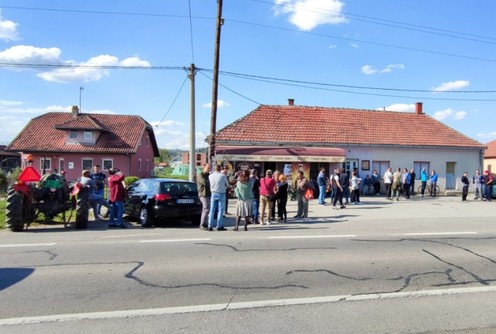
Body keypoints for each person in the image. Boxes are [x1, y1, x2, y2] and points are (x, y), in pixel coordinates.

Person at [208, 164, 230, 231]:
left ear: (214, 169)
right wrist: (225, 187)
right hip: (221, 193)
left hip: (213, 193)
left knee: (212, 210)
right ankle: (219, 225)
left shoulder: (210, 176)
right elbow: (227, 184)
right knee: (220, 210)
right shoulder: (222, 176)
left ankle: (210, 225)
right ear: (220, 169)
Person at [197, 163, 211, 230]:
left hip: (208, 194)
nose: (209, 169)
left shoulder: (209, 175)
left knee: (207, 209)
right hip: (203, 194)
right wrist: (210, 181)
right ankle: (202, 224)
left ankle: (205, 223)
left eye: (209, 168)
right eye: (208, 168)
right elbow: (205, 183)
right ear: (204, 167)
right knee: (206, 208)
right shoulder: (200, 175)